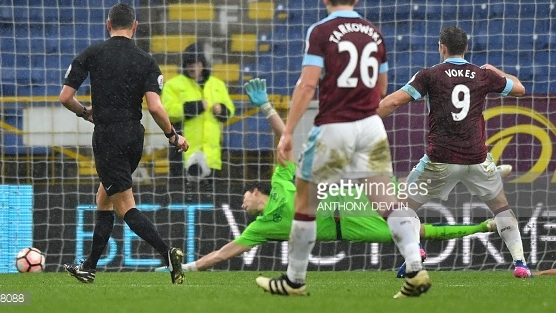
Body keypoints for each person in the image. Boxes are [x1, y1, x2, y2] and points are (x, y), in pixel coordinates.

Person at [159, 78, 503, 274]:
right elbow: (221, 254)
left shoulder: (281, 181)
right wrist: (185, 268)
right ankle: (483, 203)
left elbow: (285, 141)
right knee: (418, 228)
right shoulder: (259, 229)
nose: (242, 203)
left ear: (254, 191)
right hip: (352, 227)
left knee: (419, 187)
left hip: (353, 192)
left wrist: (266, 108)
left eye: (244, 197)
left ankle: (477, 169)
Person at [256, 0, 429, 298]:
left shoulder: (320, 31)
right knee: (386, 201)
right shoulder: (375, 33)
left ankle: (294, 280)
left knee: (305, 201)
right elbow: (381, 88)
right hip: (371, 126)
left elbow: (308, 84)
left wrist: (288, 132)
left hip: (335, 126)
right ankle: (415, 267)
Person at [377, 25, 531, 278]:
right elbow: (520, 89)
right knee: (501, 207)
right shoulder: (482, 75)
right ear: (466, 48)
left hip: (440, 159)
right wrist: (495, 70)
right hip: (476, 158)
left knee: (400, 207)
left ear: (442, 48)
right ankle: (520, 263)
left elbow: (392, 102)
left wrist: (366, 121)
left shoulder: (429, 75)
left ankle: (415, 249)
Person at [59, 3, 189, 284]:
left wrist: (85, 112)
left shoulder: (92, 53)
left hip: (108, 136)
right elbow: (154, 107)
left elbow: (65, 97)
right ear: (135, 26)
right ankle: (89, 266)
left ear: (108, 25)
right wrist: (172, 135)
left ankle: (167, 254)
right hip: (134, 136)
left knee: (124, 205)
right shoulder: (146, 60)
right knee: (103, 197)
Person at [161, 42, 235, 193]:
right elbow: (167, 112)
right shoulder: (173, 85)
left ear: (203, 64)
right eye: (188, 64)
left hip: (211, 154)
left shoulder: (217, 84)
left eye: (195, 63)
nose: (192, 67)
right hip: (183, 153)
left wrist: (222, 109)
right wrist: (196, 107)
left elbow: (231, 109)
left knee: (212, 200)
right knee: (182, 197)